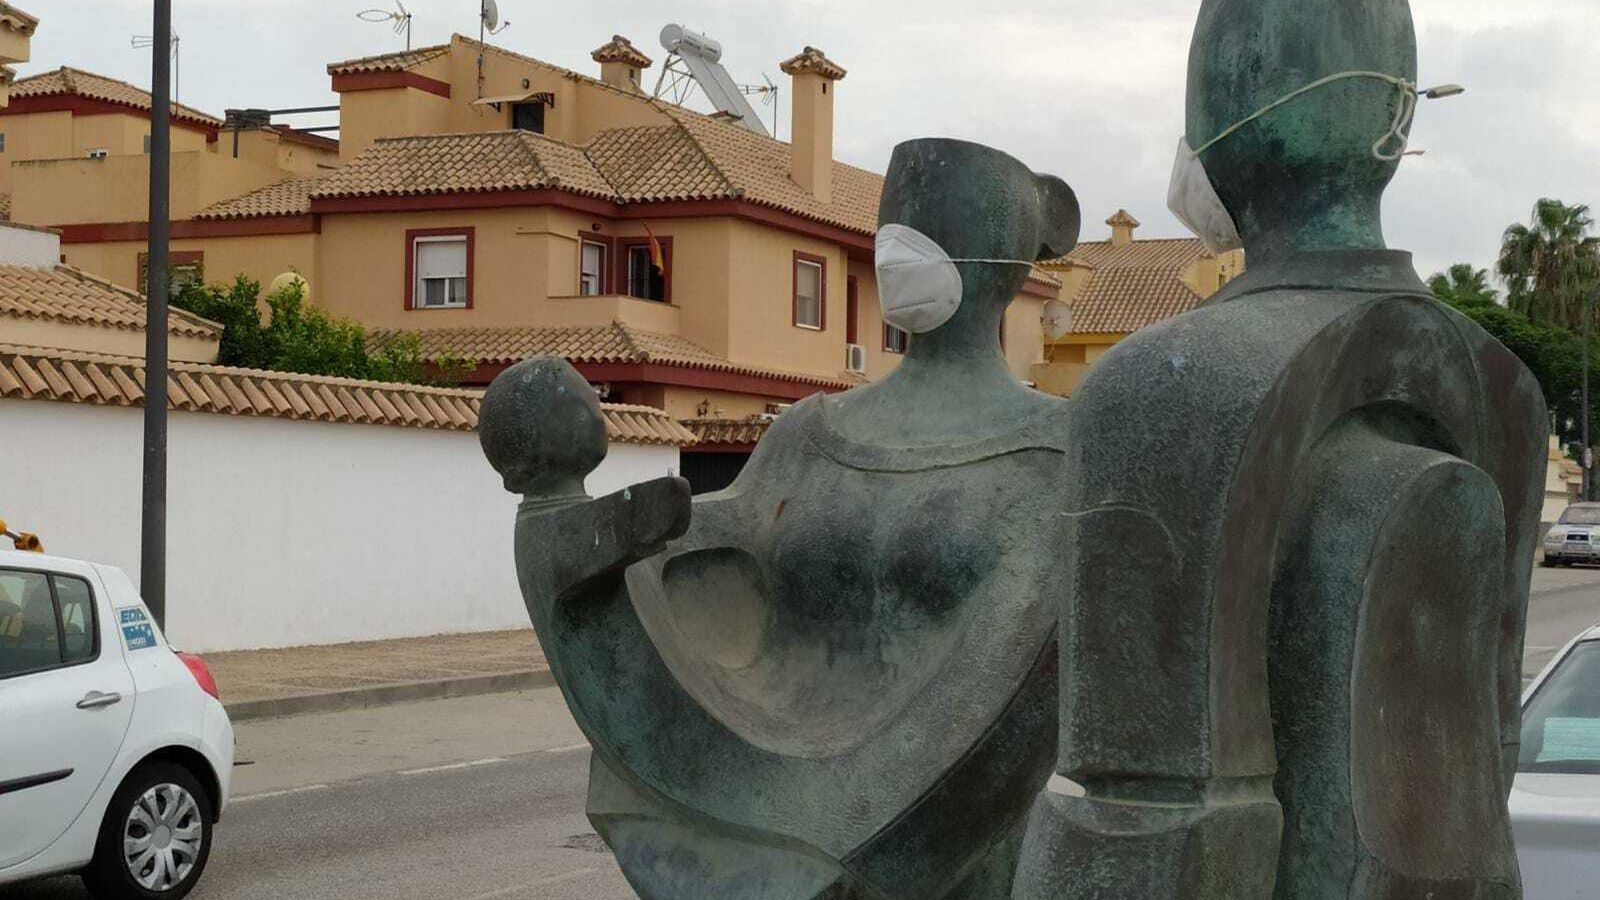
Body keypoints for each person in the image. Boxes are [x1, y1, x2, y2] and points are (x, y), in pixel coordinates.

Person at [480, 138, 1079, 900]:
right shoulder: (808, 434)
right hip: (793, 807)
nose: (898, 253)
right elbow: (713, 553)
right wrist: (583, 541)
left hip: (962, 852)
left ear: (1003, 259)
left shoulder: (1060, 452)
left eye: (932, 234)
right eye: (894, 229)